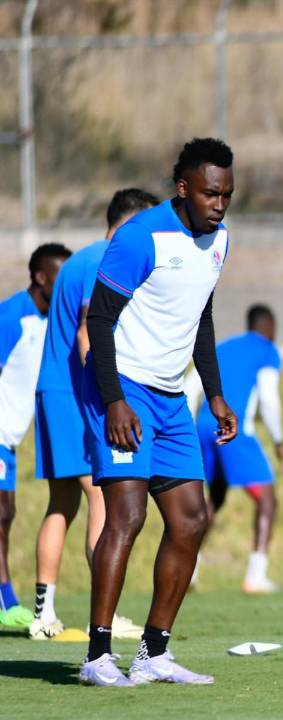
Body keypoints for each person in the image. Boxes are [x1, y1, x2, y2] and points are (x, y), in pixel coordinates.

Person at [79, 137, 237, 687]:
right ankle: (98, 655)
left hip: (172, 398)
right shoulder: (140, 236)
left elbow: (203, 317)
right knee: (127, 518)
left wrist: (214, 393)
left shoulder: (220, 241)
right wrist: (114, 400)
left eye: (228, 195)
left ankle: (153, 653)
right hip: (126, 390)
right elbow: (99, 321)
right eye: (212, 194)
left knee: (192, 519)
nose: (220, 204)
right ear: (184, 188)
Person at [29, 189, 159, 641]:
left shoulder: (80, 259)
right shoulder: (106, 258)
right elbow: (88, 328)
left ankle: (43, 614)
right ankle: (101, 617)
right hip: (76, 394)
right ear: (128, 225)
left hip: (52, 391)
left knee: (61, 503)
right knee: (101, 497)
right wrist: (110, 397)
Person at [186, 304, 283, 594]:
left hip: (203, 428)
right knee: (267, 499)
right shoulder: (267, 351)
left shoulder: (223, 347)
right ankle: (256, 576)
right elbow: (269, 398)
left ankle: (188, 569)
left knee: (213, 498)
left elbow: (191, 387)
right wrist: (279, 440)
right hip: (235, 431)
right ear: (269, 325)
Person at [0, 244, 69, 628]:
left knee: (6, 514)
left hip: (9, 439)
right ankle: (6, 603)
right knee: (1, 513)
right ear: (41, 277)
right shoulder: (12, 316)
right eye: (59, 276)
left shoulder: (51, 320)